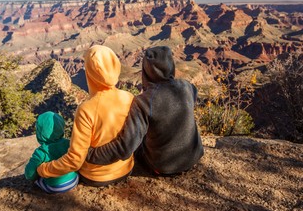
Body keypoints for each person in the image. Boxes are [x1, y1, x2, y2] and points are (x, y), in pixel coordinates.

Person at [86, 46, 204, 175]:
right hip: (194, 156)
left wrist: (89, 154)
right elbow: (190, 99)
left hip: (163, 167)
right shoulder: (188, 86)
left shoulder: (144, 101)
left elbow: (125, 147)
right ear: (171, 66)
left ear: (146, 72)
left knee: (137, 144)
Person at [37, 45, 135, 186]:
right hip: (126, 169)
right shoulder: (129, 97)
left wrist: (43, 169)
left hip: (97, 177)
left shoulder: (86, 110)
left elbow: (74, 160)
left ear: (90, 73)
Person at [24, 111, 79, 193]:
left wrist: (32, 177)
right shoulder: (69, 143)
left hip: (55, 187)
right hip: (74, 180)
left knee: (37, 180)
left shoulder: (41, 152)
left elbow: (29, 173)